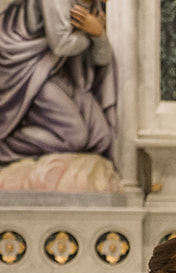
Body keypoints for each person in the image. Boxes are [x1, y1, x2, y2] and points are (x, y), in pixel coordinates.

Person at [0, 0, 117, 165]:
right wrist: (91, 34)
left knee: (101, 137)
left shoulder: (95, 5)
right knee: (75, 137)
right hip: (26, 71)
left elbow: (101, 59)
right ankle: (5, 147)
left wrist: (99, 35)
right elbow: (62, 45)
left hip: (58, 73)